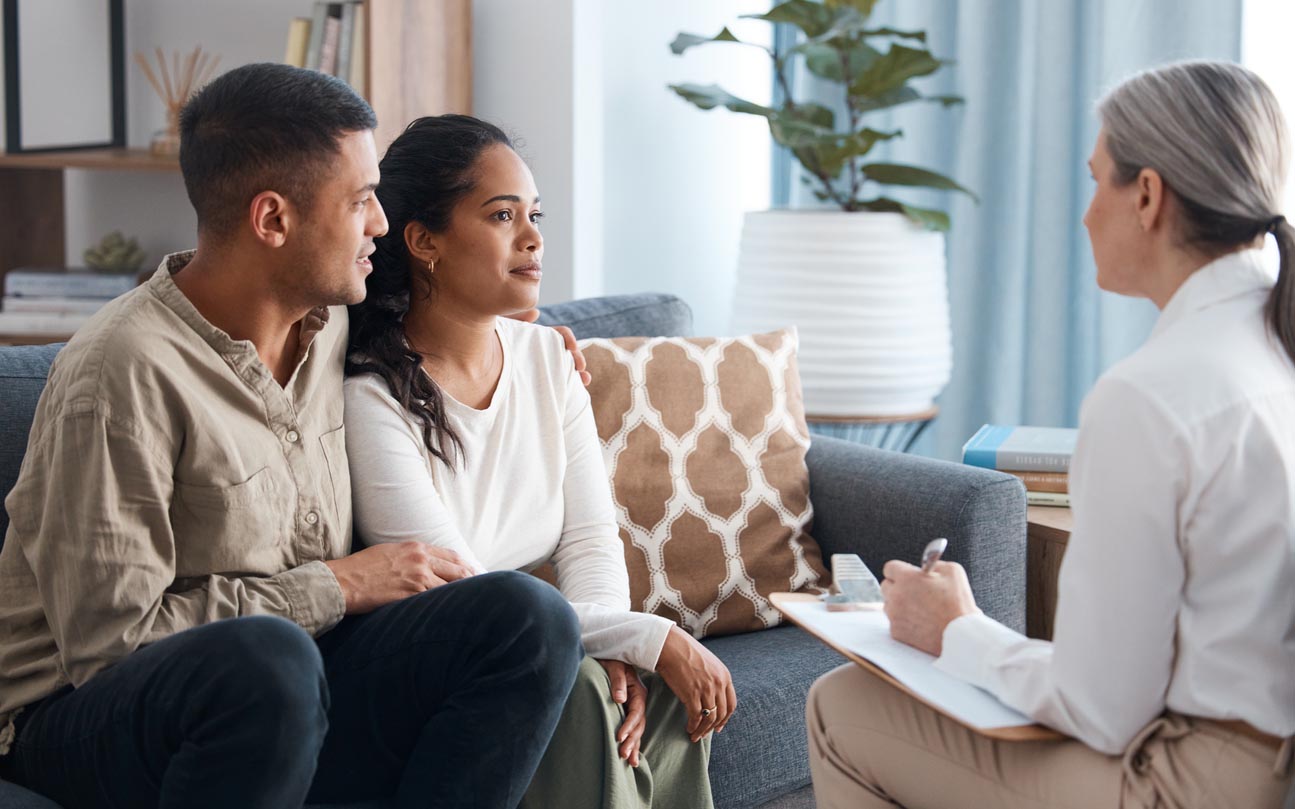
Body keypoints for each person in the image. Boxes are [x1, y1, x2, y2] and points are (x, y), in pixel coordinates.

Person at [0, 63, 585, 809]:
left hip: (293, 679)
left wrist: (538, 341)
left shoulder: (334, 317)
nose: (379, 224)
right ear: (272, 220)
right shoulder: (120, 373)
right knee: (267, 660)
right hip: (79, 714)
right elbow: (110, 646)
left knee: (523, 617)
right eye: (361, 201)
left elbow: (452, 300)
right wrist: (335, 584)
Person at [805, 60, 1295, 808]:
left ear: (1147, 194)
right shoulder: (1272, 350)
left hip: (1192, 783)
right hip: (1264, 764)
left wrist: (956, 629)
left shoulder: (1148, 395)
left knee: (840, 705)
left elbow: (1103, 710)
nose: (1085, 211)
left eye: (1096, 181)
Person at [343, 114, 735, 809]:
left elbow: (588, 536)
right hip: (448, 657)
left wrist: (625, 651)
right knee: (585, 686)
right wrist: (650, 636)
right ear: (423, 241)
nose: (533, 236)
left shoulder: (550, 359)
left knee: (647, 689)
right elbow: (470, 595)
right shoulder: (370, 393)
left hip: (541, 632)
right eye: (501, 215)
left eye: (534, 214)